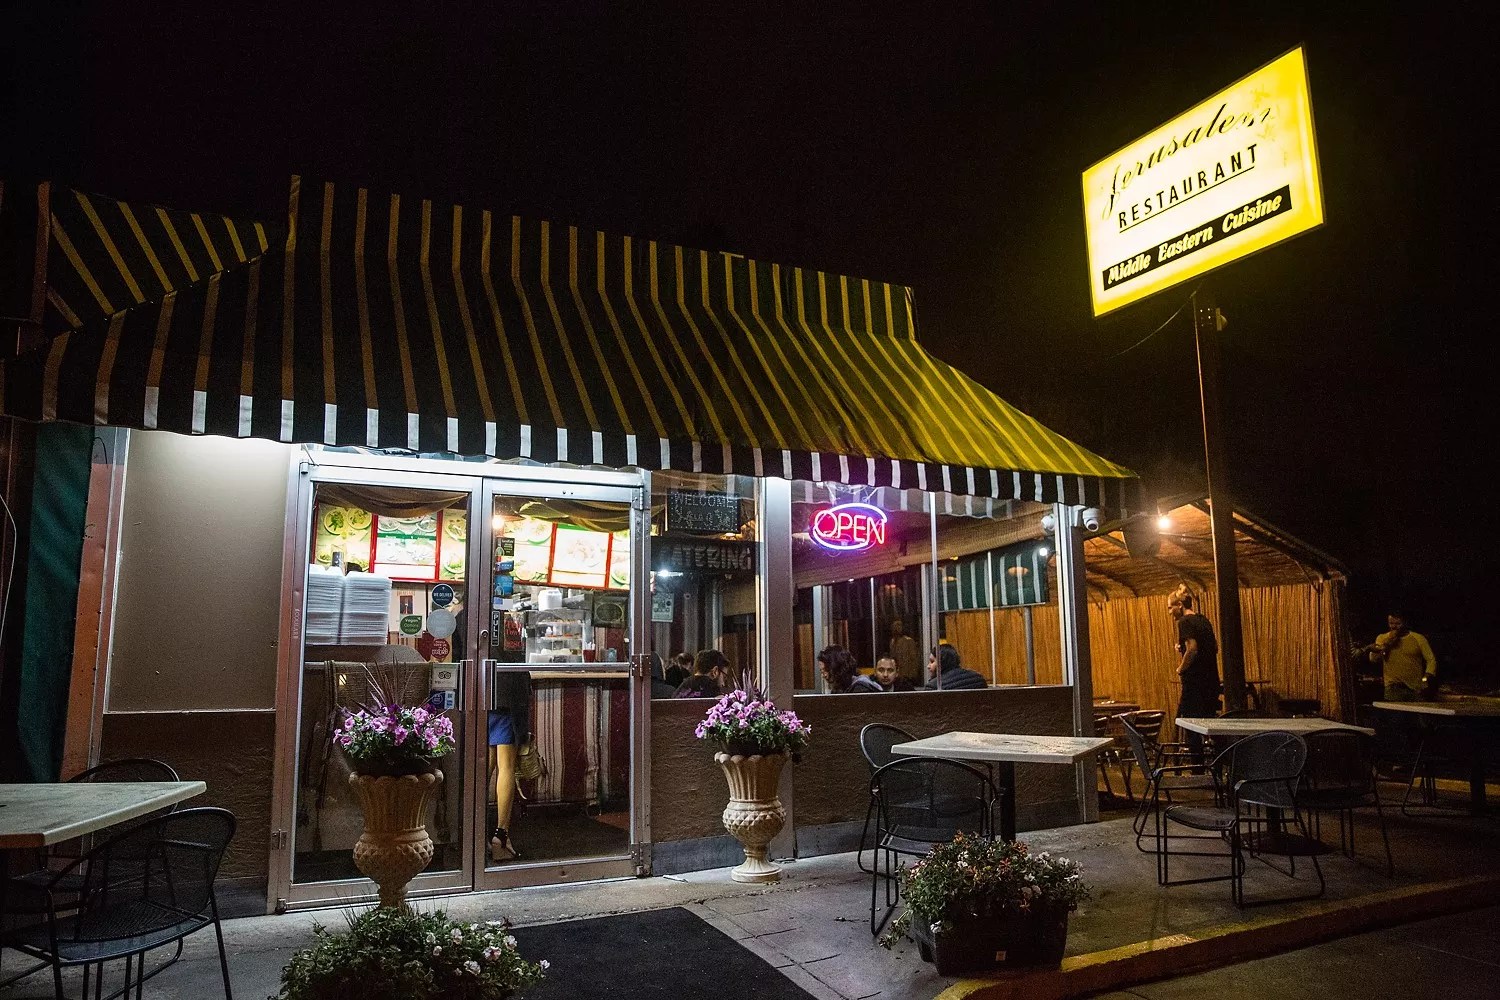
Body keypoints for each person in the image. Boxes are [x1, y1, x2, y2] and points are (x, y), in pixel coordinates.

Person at [1169, 586, 1220, 761]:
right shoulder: (1204, 620)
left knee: (1189, 725)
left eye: (1171, 607)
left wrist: (1181, 668)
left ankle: (1197, 768)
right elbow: (1214, 647)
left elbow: (1192, 649)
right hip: (1212, 681)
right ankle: (1216, 765)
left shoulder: (1184, 622)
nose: (1170, 612)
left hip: (1194, 683)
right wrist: (1180, 648)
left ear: (1180, 605)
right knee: (1210, 724)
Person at [488, 667, 532, 862]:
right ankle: (501, 837)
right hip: (508, 695)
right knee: (506, 767)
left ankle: (474, 834)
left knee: (484, 767)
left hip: (480, 691)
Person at [1358, 611, 1437, 701]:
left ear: (1405, 623)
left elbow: (1431, 659)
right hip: (1393, 687)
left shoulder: (1418, 638)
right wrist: (1388, 644)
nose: (1394, 627)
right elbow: (1374, 659)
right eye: (1391, 623)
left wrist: (1426, 677)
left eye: (1398, 623)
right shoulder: (1382, 638)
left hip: (1415, 688)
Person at [888, 620, 923, 688]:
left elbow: (914, 659)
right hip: (896, 674)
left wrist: (913, 674)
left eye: (899, 625)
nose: (897, 628)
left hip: (907, 675)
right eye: (895, 626)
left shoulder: (909, 641)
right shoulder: (892, 642)